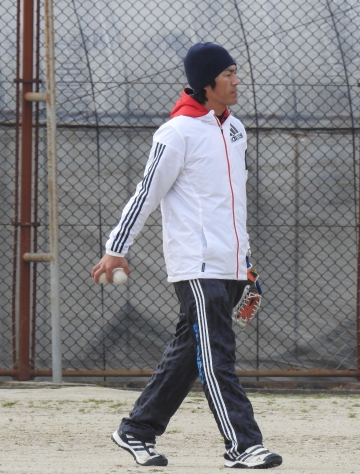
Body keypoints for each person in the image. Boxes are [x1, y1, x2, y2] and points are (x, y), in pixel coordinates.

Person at [91, 42, 282, 470]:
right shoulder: (176, 133)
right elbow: (146, 193)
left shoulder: (235, 130)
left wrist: (245, 263)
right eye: (228, 74)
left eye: (235, 72)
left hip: (231, 264)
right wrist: (116, 249)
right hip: (196, 266)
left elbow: (233, 205)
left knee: (190, 352)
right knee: (216, 356)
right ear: (206, 83)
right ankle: (243, 445)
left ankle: (137, 429)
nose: (237, 81)